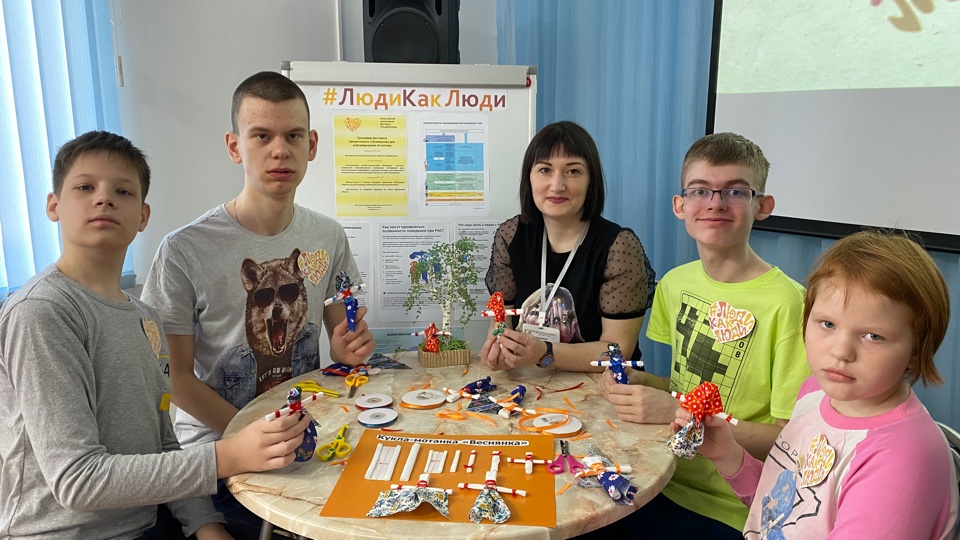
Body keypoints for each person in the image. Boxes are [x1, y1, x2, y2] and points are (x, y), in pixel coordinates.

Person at [0, 131, 313, 539]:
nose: (104, 198)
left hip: (150, 521)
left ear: (143, 216)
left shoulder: (146, 318)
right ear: (54, 206)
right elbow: (78, 480)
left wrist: (207, 527)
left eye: (123, 191)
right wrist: (227, 455)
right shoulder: (42, 312)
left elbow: (164, 444)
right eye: (85, 187)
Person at [140, 71, 375, 536]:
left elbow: (340, 337)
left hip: (305, 442)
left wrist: (348, 347)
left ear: (311, 145)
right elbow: (173, 378)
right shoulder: (184, 250)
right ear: (234, 146)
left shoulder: (327, 236)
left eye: (293, 136)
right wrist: (249, 434)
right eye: (261, 136)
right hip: (219, 461)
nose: (279, 151)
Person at [675, 230, 958, 539]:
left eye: (873, 336)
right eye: (828, 324)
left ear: (916, 351)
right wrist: (729, 456)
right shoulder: (815, 392)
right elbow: (783, 513)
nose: (841, 352)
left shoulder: (902, 461)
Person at [597, 133, 811, 538]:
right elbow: (686, 385)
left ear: (763, 206)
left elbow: (791, 438)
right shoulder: (675, 283)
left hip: (730, 506)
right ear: (680, 206)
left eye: (735, 191)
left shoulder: (790, 305)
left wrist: (675, 413)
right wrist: (645, 383)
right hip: (656, 475)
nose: (715, 203)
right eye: (700, 191)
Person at [481, 121, 655, 372]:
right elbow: (502, 318)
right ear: (529, 177)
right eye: (544, 170)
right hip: (532, 382)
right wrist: (499, 343)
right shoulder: (511, 236)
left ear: (591, 180)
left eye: (573, 171)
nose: (557, 185)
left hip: (603, 386)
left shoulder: (619, 247)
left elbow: (618, 351)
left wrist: (545, 351)